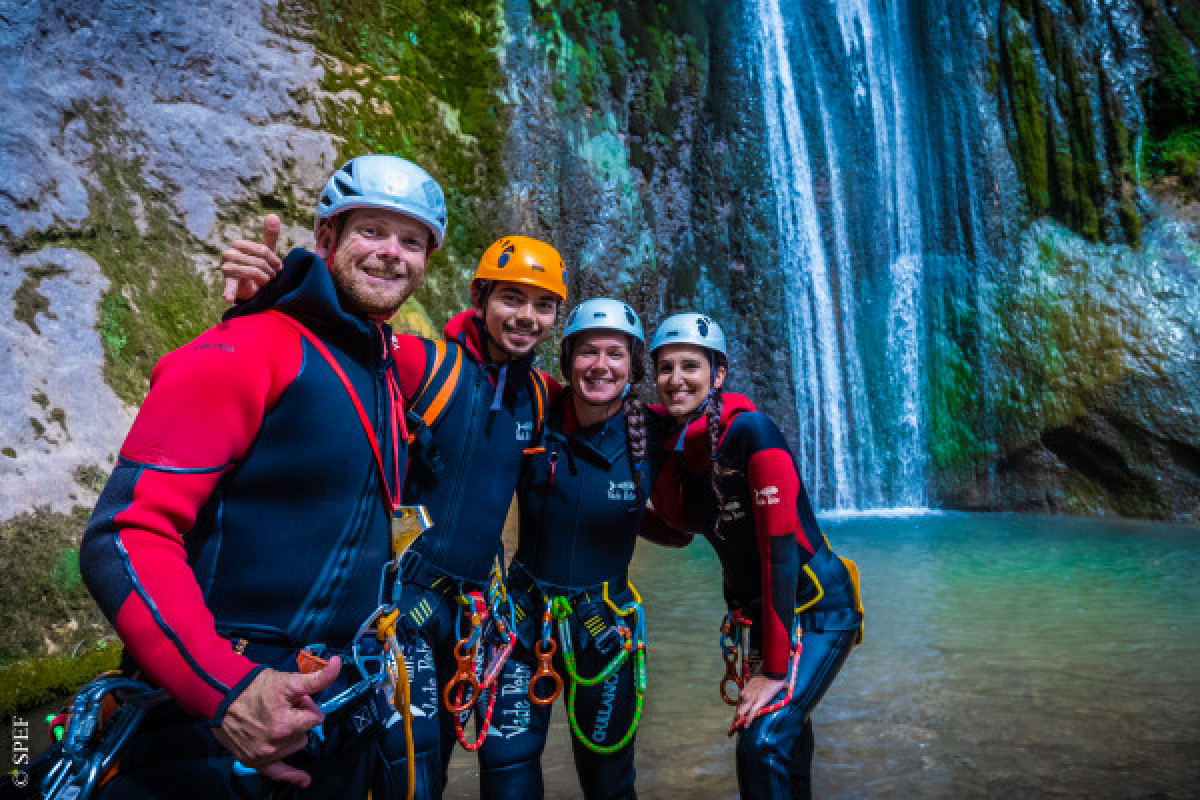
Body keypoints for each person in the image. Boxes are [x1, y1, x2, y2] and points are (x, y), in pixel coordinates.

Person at [75, 154, 448, 798]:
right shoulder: (247, 348)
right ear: (326, 236)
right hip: (214, 725)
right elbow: (124, 535)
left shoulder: (381, 368)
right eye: (371, 231)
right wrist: (224, 689)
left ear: (426, 261)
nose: (392, 253)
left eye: (411, 241)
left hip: (330, 709)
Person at [220, 229, 568, 800]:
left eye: (543, 305)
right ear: (479, 298)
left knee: (441, 764)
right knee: (410, 772)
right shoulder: (424, 363)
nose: (527, 316)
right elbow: (320, 347)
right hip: (406, 605)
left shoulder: (538, 394)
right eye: (512, 298)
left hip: (474, 611)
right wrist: (262, 298)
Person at [639, 312, 863, 800]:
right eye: (665, 368)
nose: (676, 379)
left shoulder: (753, 433)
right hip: (764, 618)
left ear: (718, 373)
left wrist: (774, 671)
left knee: (761, 743)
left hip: (817, 609)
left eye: (690, 366)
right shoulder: (681, 450)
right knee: (786, 741)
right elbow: (680, 533)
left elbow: (779, 555)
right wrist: (616, 505)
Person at [479, 298, 653, 800]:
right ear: (568, 359)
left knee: (608, 783)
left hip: (605, 629)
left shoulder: (653, 434)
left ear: (633, 366)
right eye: (587, 352)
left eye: (615, 354)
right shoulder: (534, 410)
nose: (600, 365)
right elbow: (475, 358)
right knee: (506, 771)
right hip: (521, 622)